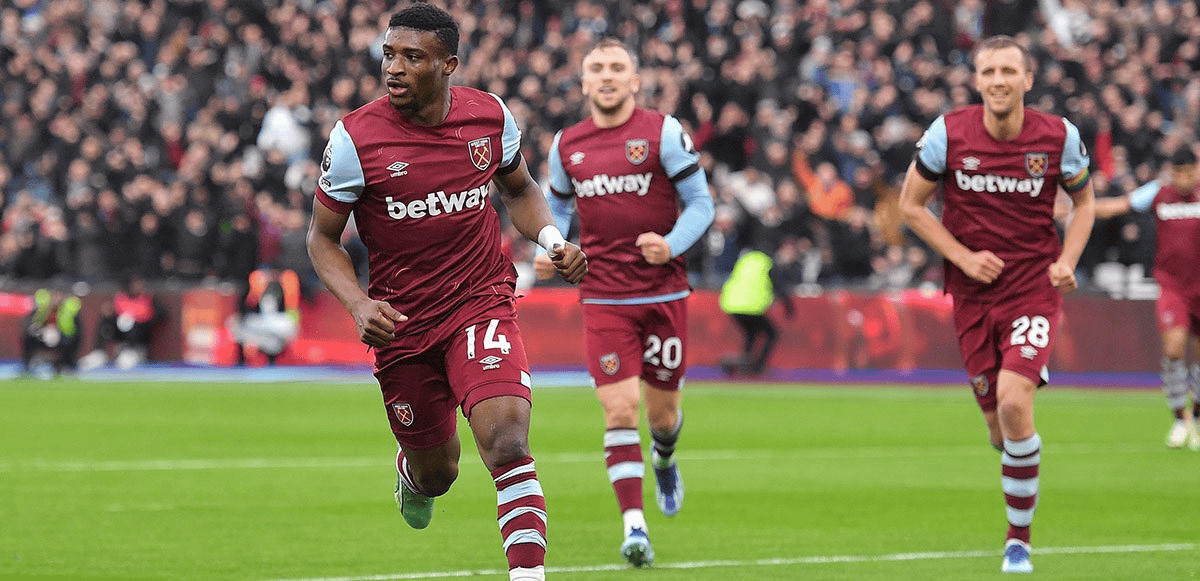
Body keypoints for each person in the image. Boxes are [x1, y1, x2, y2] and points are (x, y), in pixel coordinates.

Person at [305, 5, 586, 581]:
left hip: (480, 301)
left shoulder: (489, 117)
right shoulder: (356, 138)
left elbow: (520, 190)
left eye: (412, 57)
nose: (394, 68)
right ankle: (414, 474)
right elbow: (321, 239)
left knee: (507, 440)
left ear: (448, 64)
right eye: (389, 54)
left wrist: (553, 239)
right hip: (402, 324)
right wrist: (358, 303)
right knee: (440, 474)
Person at [897, 36, 1096, 574]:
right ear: (976, 80)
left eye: (1009, 70)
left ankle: (1018, 542)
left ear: (1028, 79)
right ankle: (1017, 460)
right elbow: (910, 206)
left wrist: (1068, 261)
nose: (999, 80)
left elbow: (1084, 204)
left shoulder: (1058, 136)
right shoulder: (947, 133)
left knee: (1013, 402)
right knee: (998, 430)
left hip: (1033, 288)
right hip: (971, 296)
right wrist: (962, 257)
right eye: (989, 72)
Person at [534, 38, 714, 568]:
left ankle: (665, 458)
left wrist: (671, 245)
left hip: (664, 296)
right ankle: (635, 527)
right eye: (597, 68)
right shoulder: (567, 144)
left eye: (617, 67)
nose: (607, 75)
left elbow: (701, 204)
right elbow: (556, 211)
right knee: (619, 409)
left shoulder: (664, 132)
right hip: (603, 297)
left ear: (635, 81)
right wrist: (549, 247)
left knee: (663, 416)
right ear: (584, 82)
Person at [1093, 146, 1200, 450]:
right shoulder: (1158, 193)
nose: (1184, 178)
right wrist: (1082, 205)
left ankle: (1196, 417)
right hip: (1172, 285)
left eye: (1189, 172)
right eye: (1178, 172)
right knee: (1174, 349)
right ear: (1172, 172)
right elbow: (1119, 206)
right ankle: (1179, 418)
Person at [718, 245, 797, 377]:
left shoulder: (745, 260)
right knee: (772, 334)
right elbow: (779, 287)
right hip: (752, 307)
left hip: (731, 305)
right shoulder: (767, 263)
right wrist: (789, 308)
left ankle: (744, 364)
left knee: (752, 333)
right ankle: (758, 367)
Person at [81, 274, 163, 370]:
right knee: (106, 322)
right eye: (135, 284)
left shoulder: (148, 298)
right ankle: (99, 353)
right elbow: (116, 315)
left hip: (139, 336)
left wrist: (141, 317)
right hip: (121, 335)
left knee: (131, 323)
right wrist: (110, 314)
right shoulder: (120, 298)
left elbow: (161, 315)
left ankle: (131, 353)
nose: (138, 286)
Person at [227, 267, 301, 366]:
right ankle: (243, 359)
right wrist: (255, 293)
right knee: (235, 324)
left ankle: (272, 357)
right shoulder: (252, 290)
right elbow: (246, 309)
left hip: (276, 324)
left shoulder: (282, 286)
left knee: (280, 331)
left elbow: (290, 310)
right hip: (259, 324)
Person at [21, 287, 83, 377]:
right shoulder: (41, 309)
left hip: (63, 338)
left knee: (69, 342)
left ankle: (66, 364)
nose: (56, 298)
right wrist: (42, 330)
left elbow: (74, 330)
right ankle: (29, 364)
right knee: (29, 338)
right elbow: (32, 325)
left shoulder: (68, 310)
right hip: (42, 337)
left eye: (59, 295)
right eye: (54, 295)